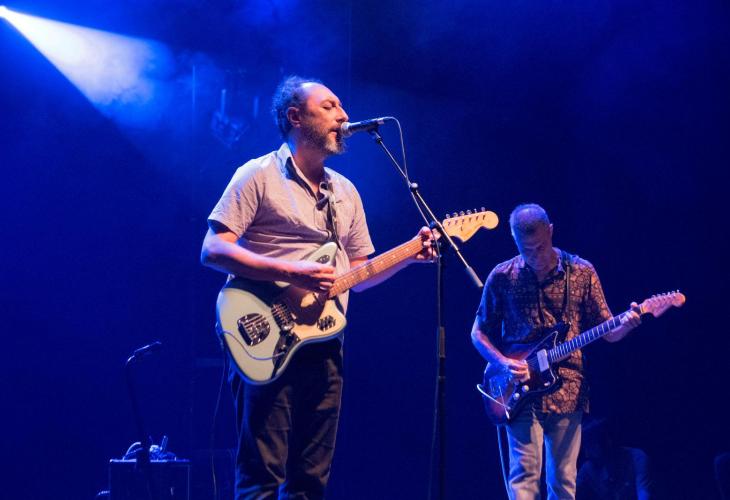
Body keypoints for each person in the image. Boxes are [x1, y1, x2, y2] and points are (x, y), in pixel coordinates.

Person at [201, 75, 434, 499]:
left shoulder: (346, 192)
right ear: (295, 117)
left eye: (341, 106)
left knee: (310, 480)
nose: (343, 115)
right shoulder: (257, 175)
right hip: (264, 335)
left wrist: (408, 255)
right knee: (262, 476)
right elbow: (213, 249)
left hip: (325, 343)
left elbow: (359, 275)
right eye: (329, 106)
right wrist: (291, 272)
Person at [470, 203, 641, 500]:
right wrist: (504, 362)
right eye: (526, 250)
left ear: (550, 232)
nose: (534, 256)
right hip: (517, 389)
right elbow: (478, 333)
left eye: (540, 247)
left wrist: (627, 325)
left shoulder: (581, 272)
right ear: (514, 240)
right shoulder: (502, 276)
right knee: (523, 477)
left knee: (563, 480)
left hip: (567, 390)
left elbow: (609, 331)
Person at [577, 417, 653, 499]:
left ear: (607, 441)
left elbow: (643, 494)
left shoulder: (637, 458)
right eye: (585, 445)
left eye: (591, 444)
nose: (586, 453)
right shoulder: (588, 468)